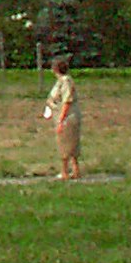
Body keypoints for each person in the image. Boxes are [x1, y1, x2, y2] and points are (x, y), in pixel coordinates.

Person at [41, 52, 82, 181]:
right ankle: (75, 170)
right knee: (69, 144)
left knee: (66, 144)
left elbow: (67, 101)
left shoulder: (66, 81)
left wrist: (61, 119)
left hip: (67, 117)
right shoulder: (60, 81)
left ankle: (65, 171)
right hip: (62, 115)